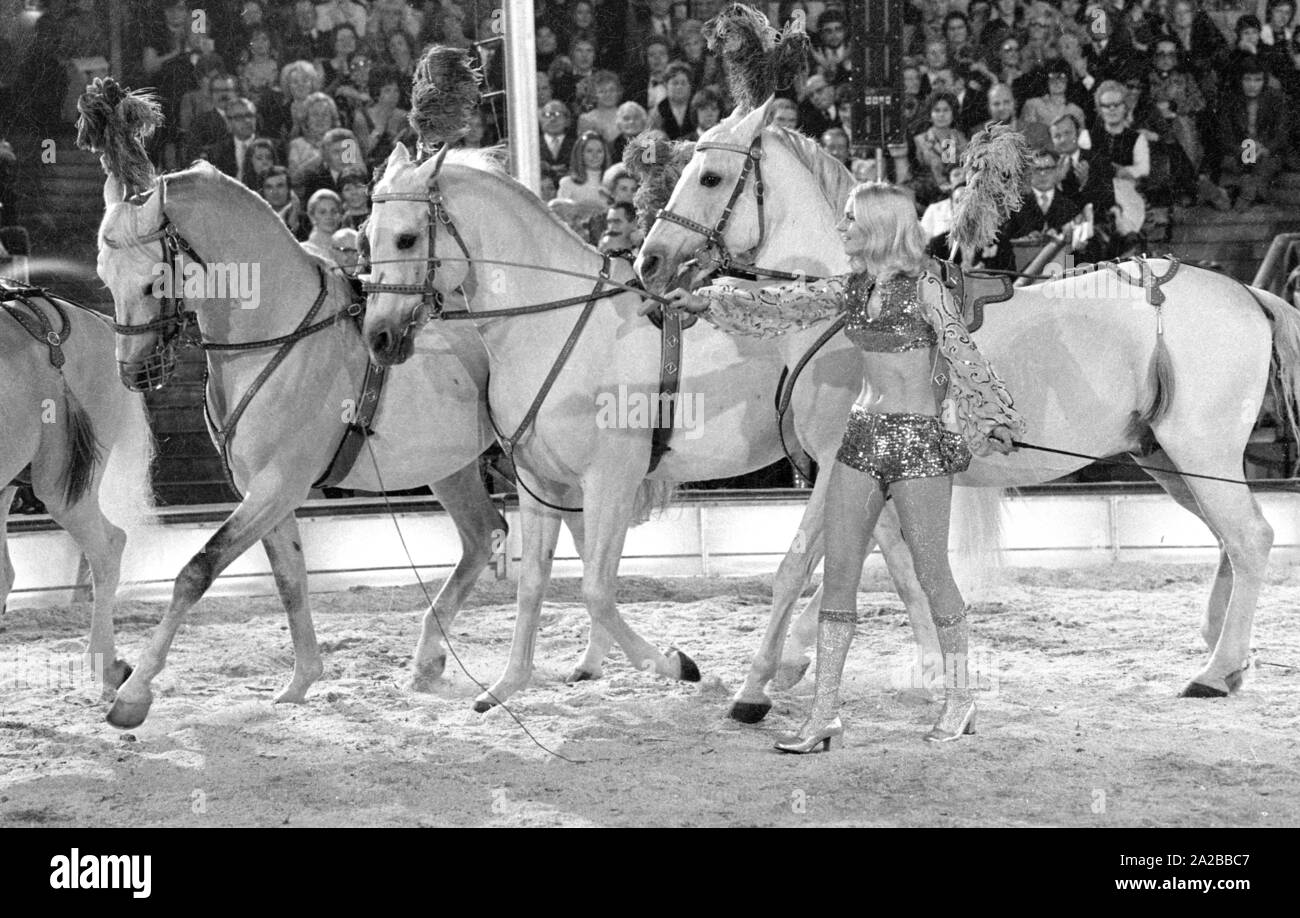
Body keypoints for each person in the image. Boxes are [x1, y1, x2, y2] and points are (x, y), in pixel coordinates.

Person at [658, 183, 1023, 752]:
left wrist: (994, 416)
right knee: (841, 578)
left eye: (851, 219)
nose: (841, 228)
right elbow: (785, 304)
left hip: (919, 443)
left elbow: (961, 352)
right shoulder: (853, 289)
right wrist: (709, 301)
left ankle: (959, 697)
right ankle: (824, 714)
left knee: (933, 576)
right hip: (862, 439)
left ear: (879, 225)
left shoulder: (927, 286)